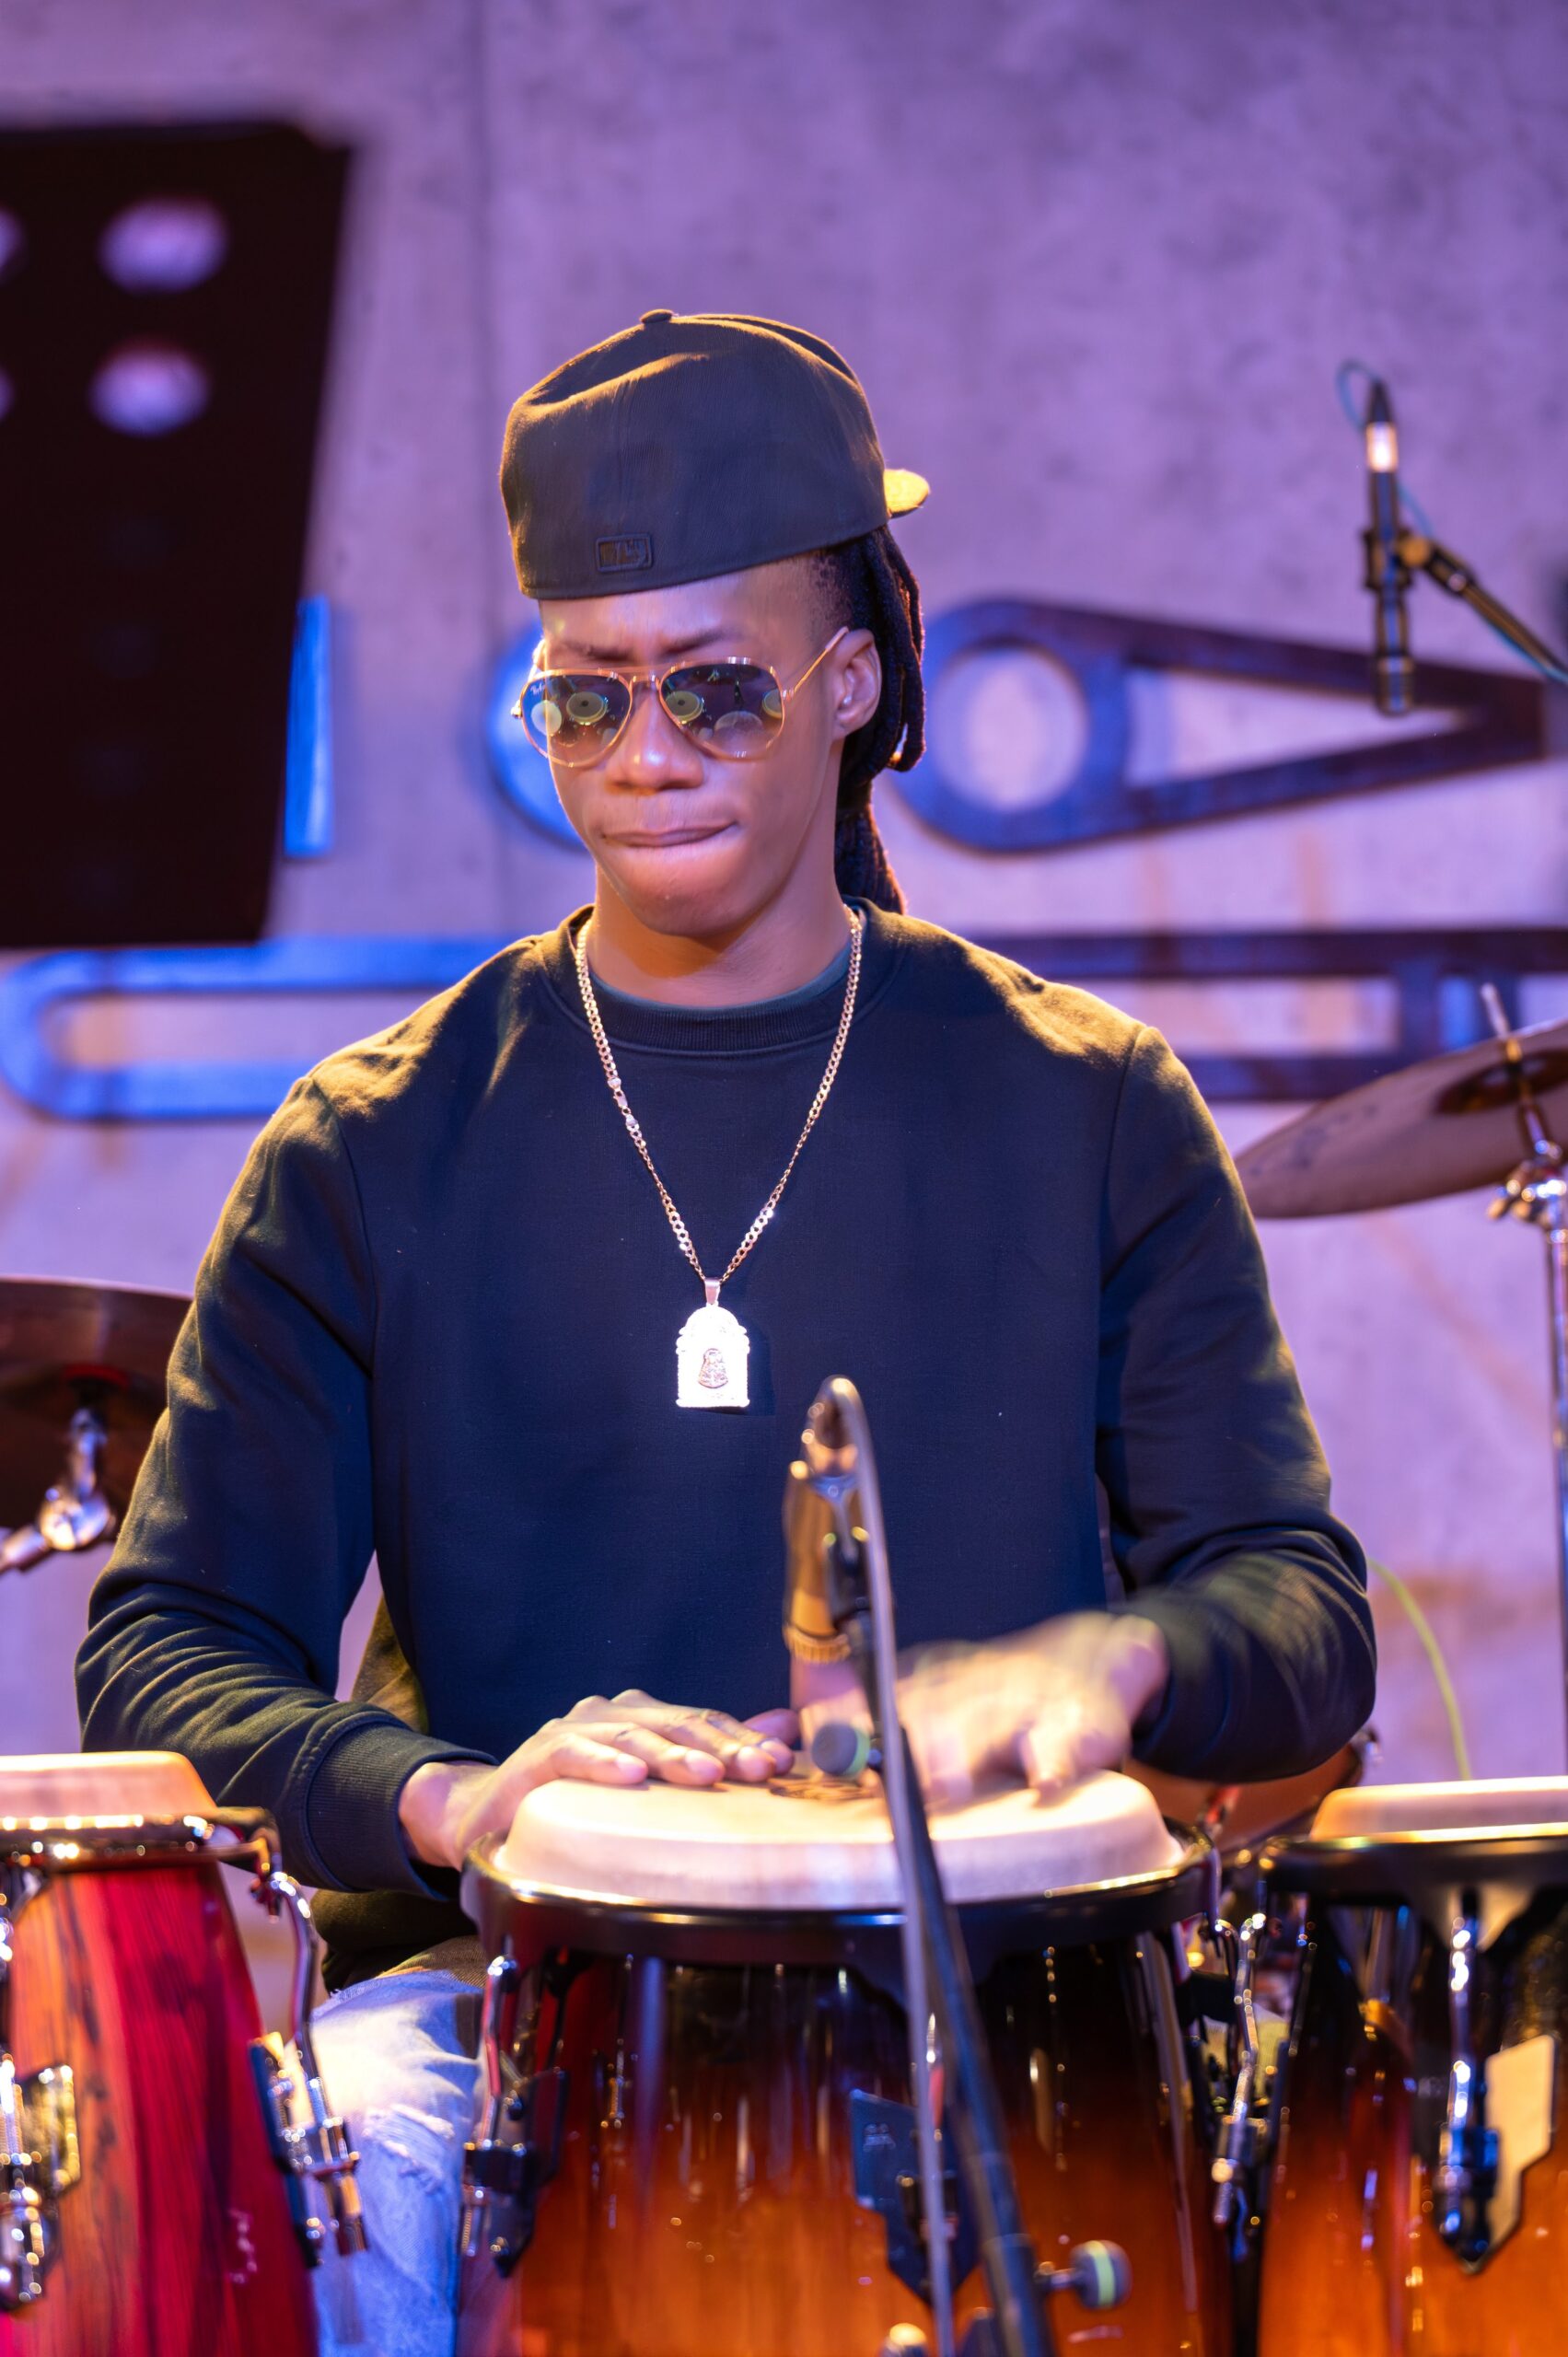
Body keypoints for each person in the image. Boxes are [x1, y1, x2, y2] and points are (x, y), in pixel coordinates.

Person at [76, 309, 1375, 2357]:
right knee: (324, 2179)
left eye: (712, 688)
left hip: (1015, 2009)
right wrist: (456, 1801)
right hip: (512, 2014)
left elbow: (1299, 1605)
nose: (646, 755)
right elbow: (165, 1648)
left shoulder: (1087, 1104)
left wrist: (1113, 1658)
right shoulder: (373, 1142)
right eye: (583, 697)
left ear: (853, 680)